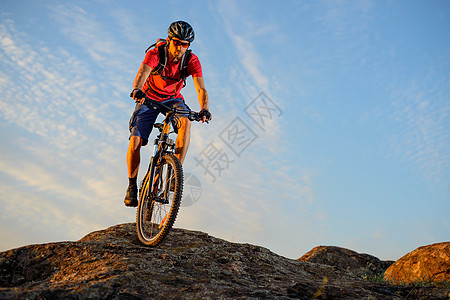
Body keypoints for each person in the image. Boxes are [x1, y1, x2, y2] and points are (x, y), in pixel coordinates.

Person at [124, 21, 211, 207]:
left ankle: (174, 172)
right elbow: (142, 74)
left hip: (173, 99)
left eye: (185, 44)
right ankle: (132, 185)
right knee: (135, 141)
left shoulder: (191, 60)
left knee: (186, 122)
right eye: (177, 42)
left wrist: (205, 109)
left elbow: (201, 88)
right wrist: (137, 89)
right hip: (148, 97)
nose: (180, 48)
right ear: (170, 40)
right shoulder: (156, 53)